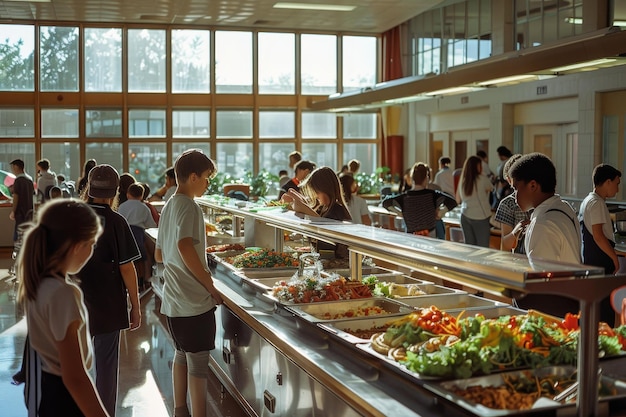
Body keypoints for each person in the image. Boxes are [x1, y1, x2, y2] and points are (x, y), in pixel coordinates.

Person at [17, 199, 110, 417]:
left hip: (46, 390)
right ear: (78, 246)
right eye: (92, 245)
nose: (91, 251)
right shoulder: (64, 293)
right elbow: (75, 377)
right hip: (66, 399)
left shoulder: (39, 281)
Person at [154, 149, 224, 417]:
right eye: (207, 177)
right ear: (193, 177)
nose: (208, 183)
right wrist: (211, 287)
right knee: (198, 365)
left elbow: (160, 253)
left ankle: (179, 410)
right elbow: (185, 246)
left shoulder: (170, 203)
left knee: (181, 354)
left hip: (173, 299)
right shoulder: (190, 206)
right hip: (193, 301)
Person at [77, 164, 142, 416]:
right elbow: (127, 269)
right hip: (109, 304)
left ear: (89, 189)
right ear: (115, 192)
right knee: (105, 366)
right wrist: (135, 307)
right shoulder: (117, 222)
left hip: (74, 302)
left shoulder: (73, 217)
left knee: (75, 363)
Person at [509, 152, 581, 317]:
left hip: (553, 306)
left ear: (533, 185)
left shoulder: (543, 223)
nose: (513, 196)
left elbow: (540, 281)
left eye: (515, 188)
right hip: (571, 298)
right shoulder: (564, 208)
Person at [579, 164, 621, 324]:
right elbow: (598, 235)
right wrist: (614, 258)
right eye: (616, 184)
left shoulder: (588, 201)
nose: (617, 189)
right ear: (607, 182)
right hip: (600, 262)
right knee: (603, 314)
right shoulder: (596, 203)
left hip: (592, 261)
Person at [284, 166, 351, 258]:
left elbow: (329, 242)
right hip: (324, 261)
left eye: (316, 191)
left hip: (336, 264)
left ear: (324, 189)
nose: (315, 195)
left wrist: (305, 209)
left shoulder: (337, 210)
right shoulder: (323, 208)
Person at [383, 162, 457, 237]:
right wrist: (441, 212)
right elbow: (452, 202)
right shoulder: (433, 195)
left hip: (411, 237)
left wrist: (399, 213)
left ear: (412, 178)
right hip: (430, 236)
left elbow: (386, 202)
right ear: (426, 178)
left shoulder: (404, 197)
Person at [119, 183, 158, 291]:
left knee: (129, 260)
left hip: (125, 234)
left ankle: (130, 283)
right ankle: (141, 282)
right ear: (142, 196)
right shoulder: (144, 207)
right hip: (138, 233)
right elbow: (151, 224)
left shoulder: (122, 206)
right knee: (141, 259)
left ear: (128, 194)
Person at [494, 154, 532, 254]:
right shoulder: (508, 204)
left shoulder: (538, 197)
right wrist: (516, 231)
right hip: (520, 257)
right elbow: (505, 244)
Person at [456, 155, 493, 247]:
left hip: (465, 215)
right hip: (480, 217)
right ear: (477, 166)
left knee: (470, 249)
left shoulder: (463, 180)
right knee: (483, 249)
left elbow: (458, 199)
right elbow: (491, 188)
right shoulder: (482, 179)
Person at [9, 159, 34, 242]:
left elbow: (16, 196)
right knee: (27, 233)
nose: (12, 170)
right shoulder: (30, 180)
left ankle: (18, 253)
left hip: (20, 211)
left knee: (18, 234)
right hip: (29, 210)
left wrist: (13, 211)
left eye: (13, 167)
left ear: (16, 167)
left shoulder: (18, 181)